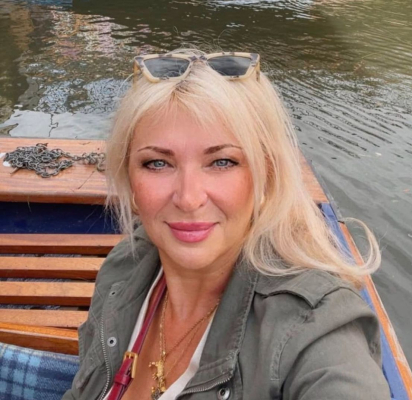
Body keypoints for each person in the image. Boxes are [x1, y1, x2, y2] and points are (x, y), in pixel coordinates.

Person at [63, 49, 391, 400]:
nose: (189, 198)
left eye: (222, 162)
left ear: (266, 174)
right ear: (129, 176)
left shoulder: (313, 328)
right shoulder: (125, 269)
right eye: (158, 163)